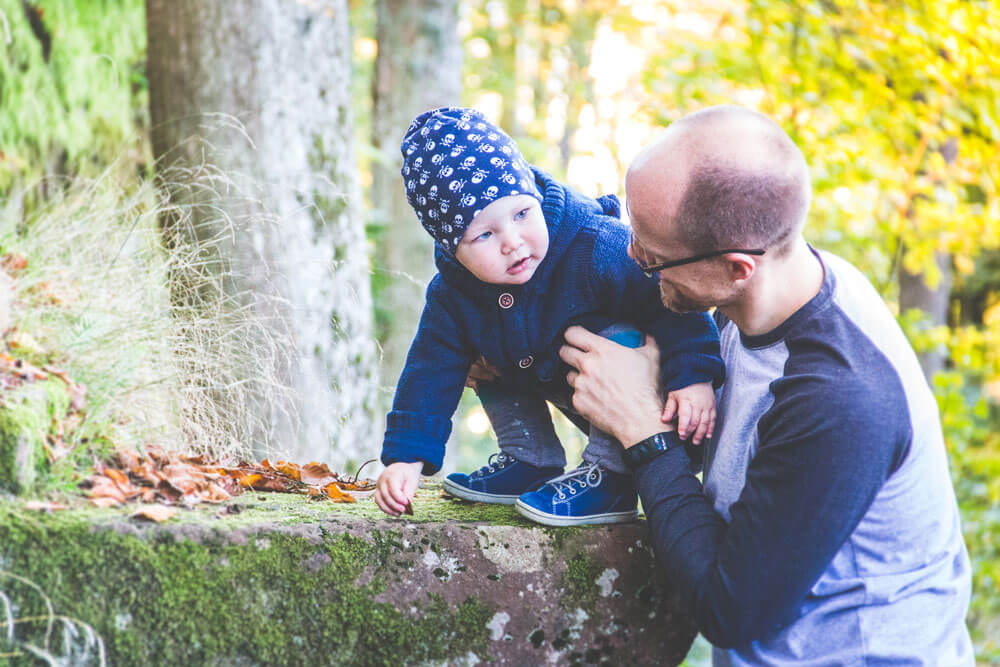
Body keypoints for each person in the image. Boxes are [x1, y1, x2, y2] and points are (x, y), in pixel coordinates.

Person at [559, 105, 974, 663]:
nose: (633, 259)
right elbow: (684, 440)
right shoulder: (762, 295)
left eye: (652, 256)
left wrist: (640, 430)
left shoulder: (837, 399)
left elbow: (728, 611)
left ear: (736, 267)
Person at [373, 106, 725, 526]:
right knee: (478, 347)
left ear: (535, 195)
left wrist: (694, 376)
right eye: (484, 234)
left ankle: (611, 476)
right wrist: (406, 458)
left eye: (522, 214)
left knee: (618, 334)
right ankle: (530, 457)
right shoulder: (453, 293)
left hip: (656, 409)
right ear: (452, 248)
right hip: (563, 380)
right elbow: (429, 368)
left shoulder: (595, 245)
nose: (513, 242)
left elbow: (672, 304)